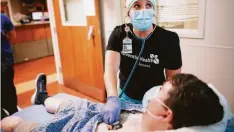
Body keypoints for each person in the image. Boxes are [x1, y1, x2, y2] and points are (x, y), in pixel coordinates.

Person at [0, 73, 224, 132]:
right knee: (59, 103)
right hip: (101, 112)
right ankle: (42, 98)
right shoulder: (152, 114)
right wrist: (112, 98)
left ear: (167, 114)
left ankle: (5, 116)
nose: (154, 93)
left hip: (76, 128)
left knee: (13, 124)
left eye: (161, 91)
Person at [102, 0, 182, 125]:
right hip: (124, 99)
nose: (143, 10)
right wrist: (113, 98)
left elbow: (174, 81)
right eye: (137, 6)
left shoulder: (169, 39)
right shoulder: (119, 34)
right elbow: (110, 69)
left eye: (148, 5)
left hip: (155, 101)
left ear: (154, 9)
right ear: (128, 11)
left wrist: (167, 104)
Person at [1, 13, 17, 119]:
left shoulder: (3, 17)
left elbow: (13, 36)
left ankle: (13, 113)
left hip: (5, 59)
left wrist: (4, 36)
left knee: (8, 88)